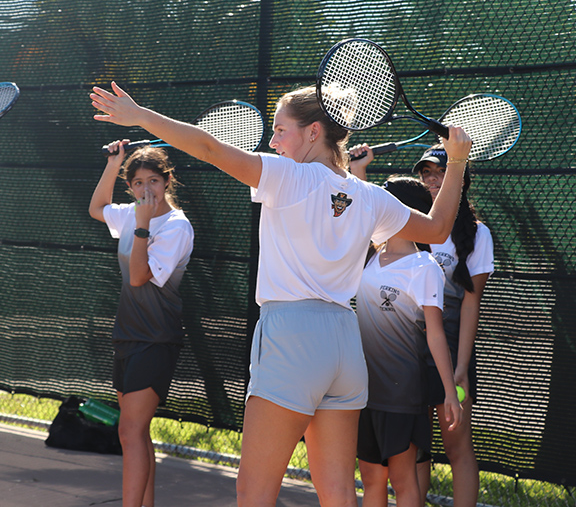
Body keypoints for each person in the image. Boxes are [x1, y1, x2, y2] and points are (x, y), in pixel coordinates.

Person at [90, 81, 472, 507]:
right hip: (345, 347)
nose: (272, 141)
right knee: (341, 494)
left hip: (293, 338)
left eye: (280, 129)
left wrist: (141, 115)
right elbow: (438, 229)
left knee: (254, 492)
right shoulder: (370, 197)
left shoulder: (287, 175)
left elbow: (210, 149)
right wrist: (456, 161)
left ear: (313, 132)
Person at [88, 142, 194, 507]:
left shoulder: (177, 227)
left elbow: (138, 277)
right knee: (137, 433)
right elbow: (97, 208)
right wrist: (113, 163)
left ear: (167, 181)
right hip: (127, 335)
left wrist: (143, 225)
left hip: (156, 339)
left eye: (153, 180)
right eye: (137, 183)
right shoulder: (132, 214)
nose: (146, 189)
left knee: (130, 431)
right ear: (129, 186)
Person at [346, 172, 461, 507]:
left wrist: (450, 393)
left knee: (402, 481)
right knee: (371, 480)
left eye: (383, 204)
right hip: (364, 390)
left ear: (403, 213)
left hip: (402, 393)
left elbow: (435, 334)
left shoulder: (424, 267)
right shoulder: (367, 257)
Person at [413, 144, 494, 507]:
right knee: (414, 447)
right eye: (426, 173)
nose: (432, 180)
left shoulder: (479, 235)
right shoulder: (410, 223)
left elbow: (470, 305)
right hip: (410, 353)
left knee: (456, 444)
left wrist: (460, 369)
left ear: (460, 180)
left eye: (439, 172)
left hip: (452, 354)